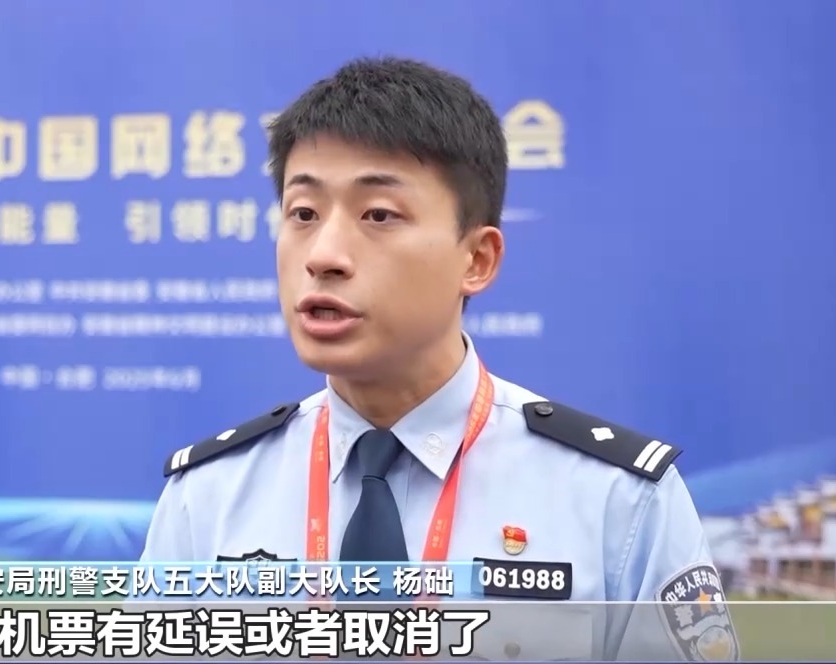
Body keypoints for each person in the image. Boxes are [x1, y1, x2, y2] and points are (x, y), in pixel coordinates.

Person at [140, 57, 739, 661]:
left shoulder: (616, 499)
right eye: (303, 214)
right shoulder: (208, 497)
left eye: (378, 215)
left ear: (476, 260)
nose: (323, 255)